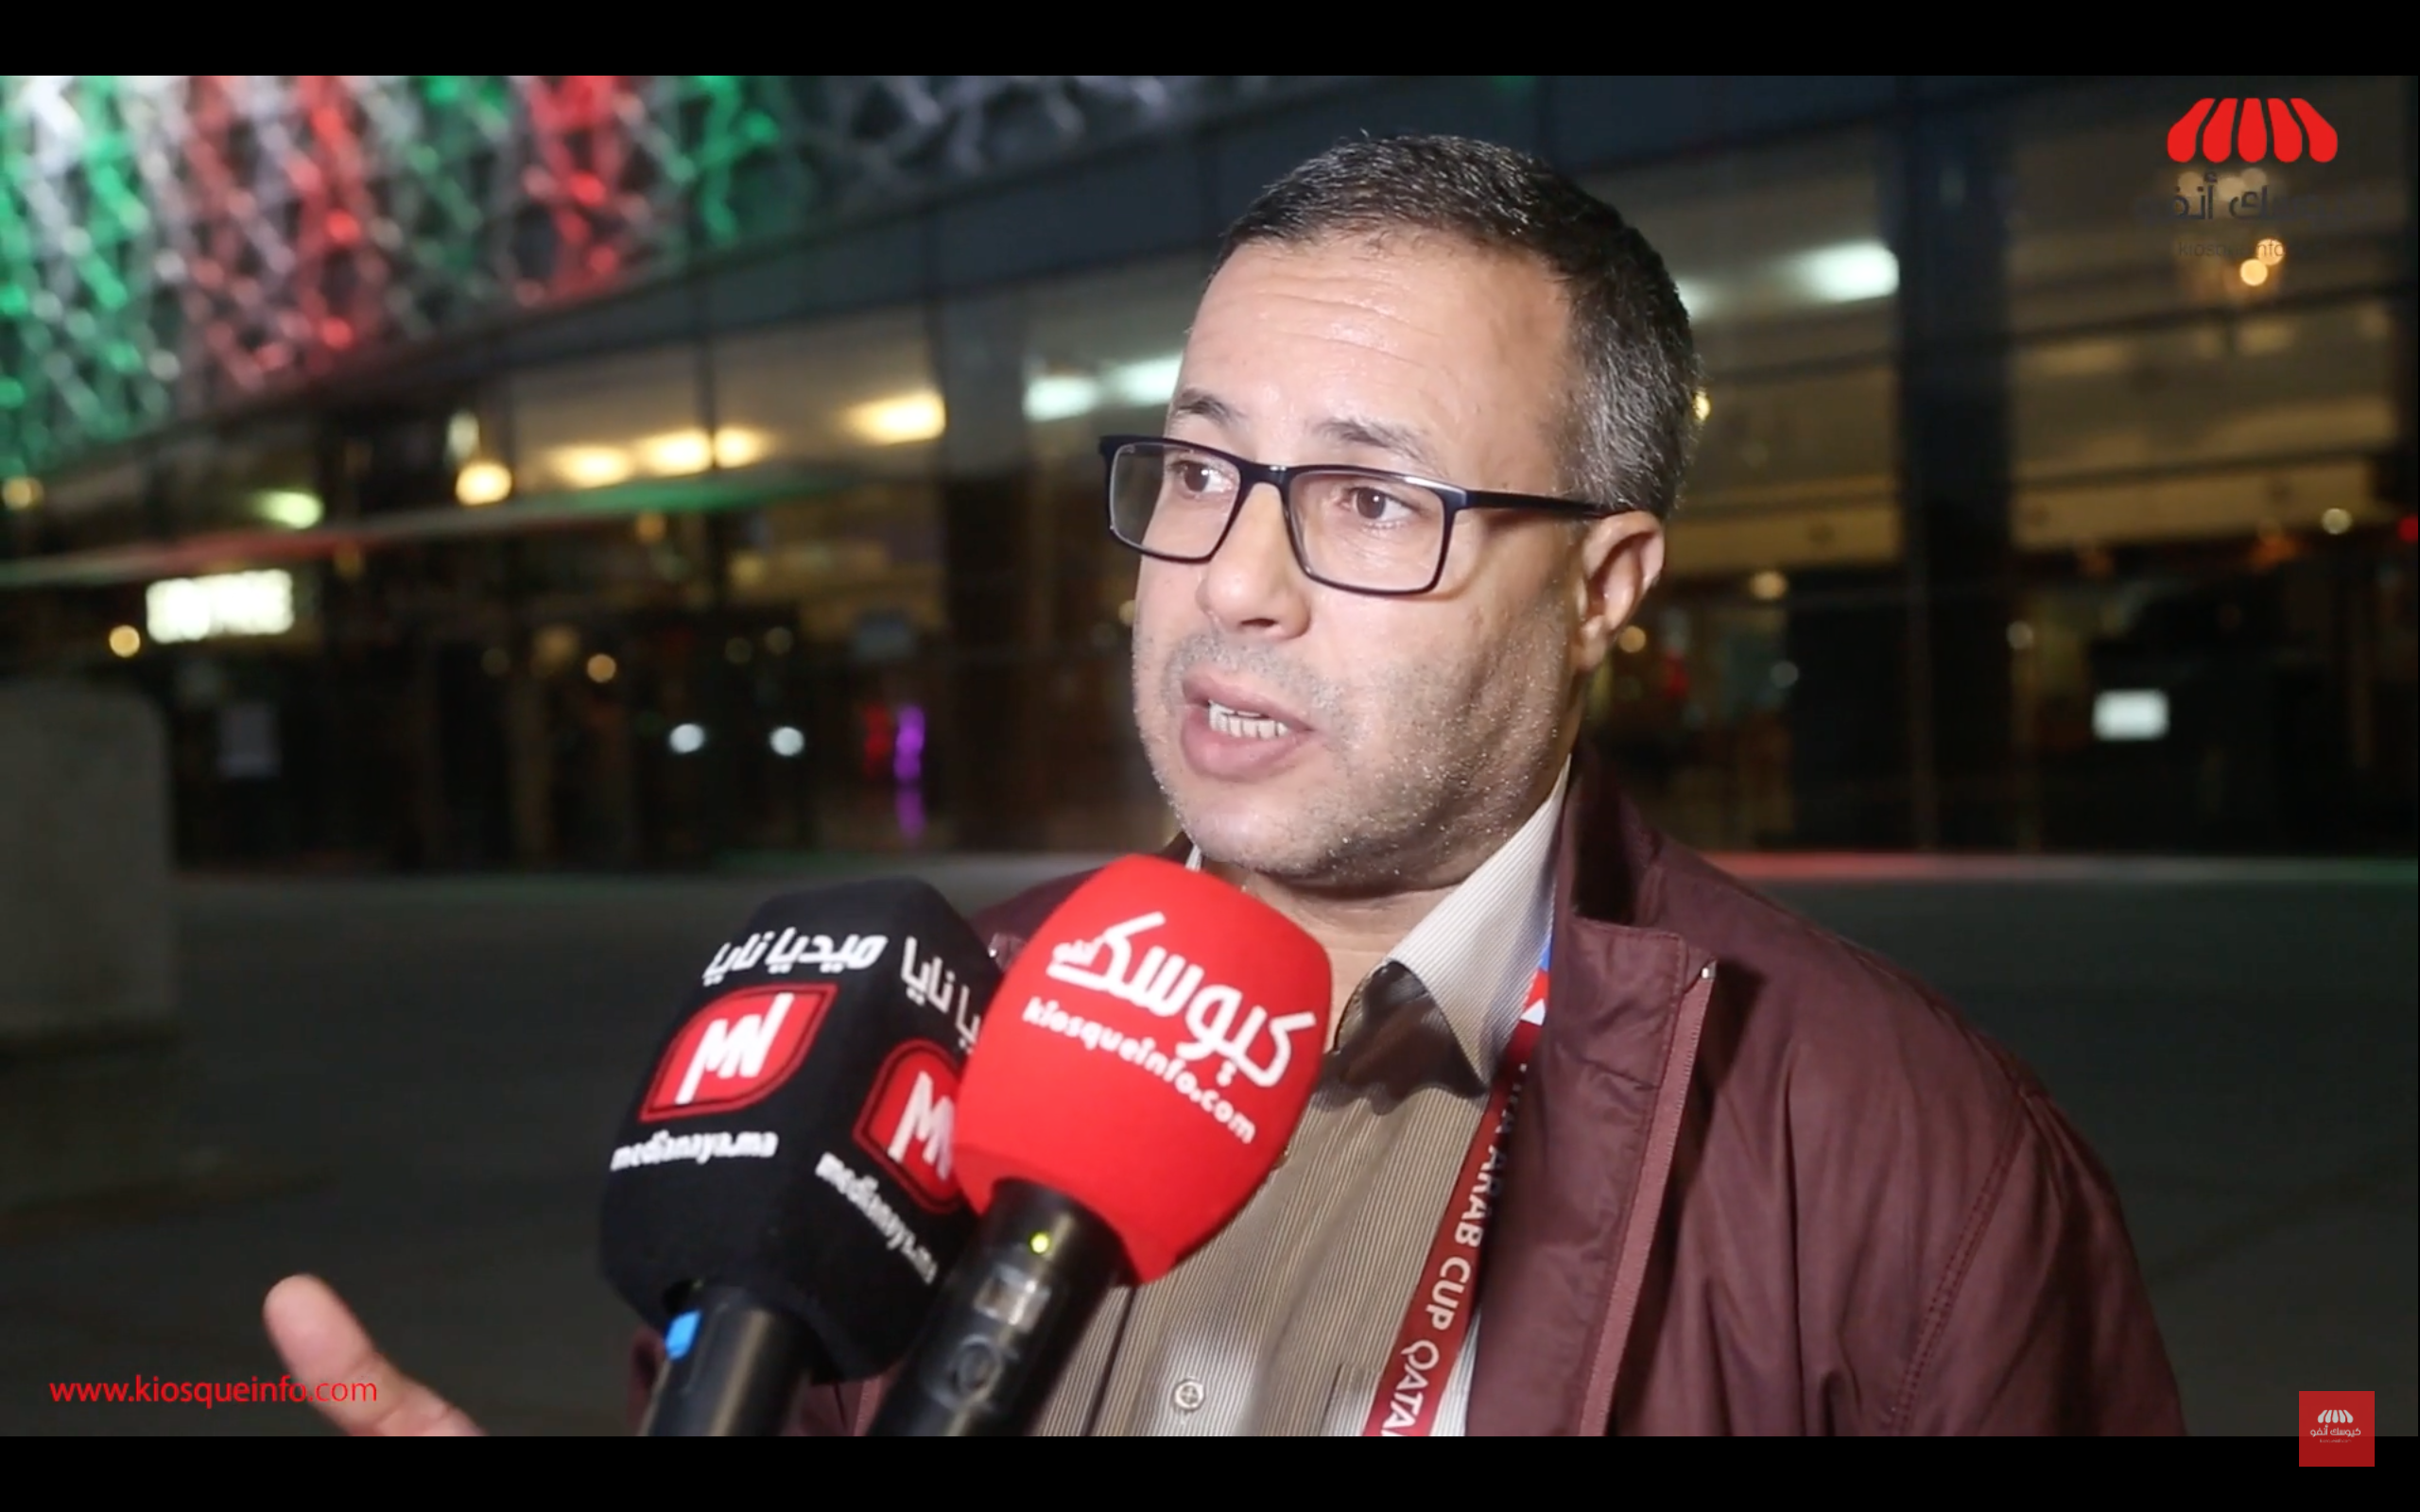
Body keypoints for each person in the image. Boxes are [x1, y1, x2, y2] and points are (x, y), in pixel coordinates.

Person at [263, 134, 2185, 1435]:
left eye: (1372, 500)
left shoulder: (1908, 1158)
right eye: (1200, 471)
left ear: (1602, 586)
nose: (1231, 582)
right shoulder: (921, 1024)